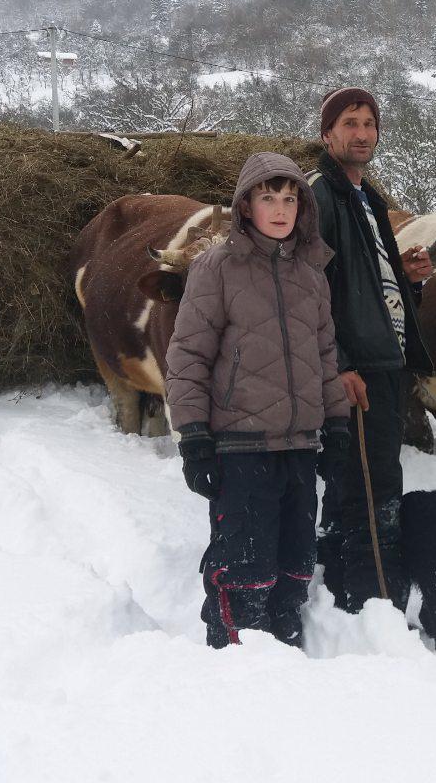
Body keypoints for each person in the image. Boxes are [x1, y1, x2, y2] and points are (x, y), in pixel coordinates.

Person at [165, 152, 349, 648]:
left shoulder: (311, 274)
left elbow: (325, 354)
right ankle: (233, 662)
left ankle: (285, 651)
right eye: (268, 198)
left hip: (299, 446)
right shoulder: (216, 268)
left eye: (290, 198)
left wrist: (335, 426)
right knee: (245, 566)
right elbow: (188, 354)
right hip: (239, 447)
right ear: (245, 205)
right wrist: (194, 436)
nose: (281, 209)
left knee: (294, 564)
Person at [308, 87, 434, 612]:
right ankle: (376, 598)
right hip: (358, 367)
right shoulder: (319, 195)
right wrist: (337, 365)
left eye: (369, 123)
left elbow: (359, 281)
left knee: (350, 479)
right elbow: (307, 289)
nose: (362, 133)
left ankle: (337, 578)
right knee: (374, 482)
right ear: (327, 134)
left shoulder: (364, 197)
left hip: (383, 361)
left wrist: (407, 281)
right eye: (350, 123)